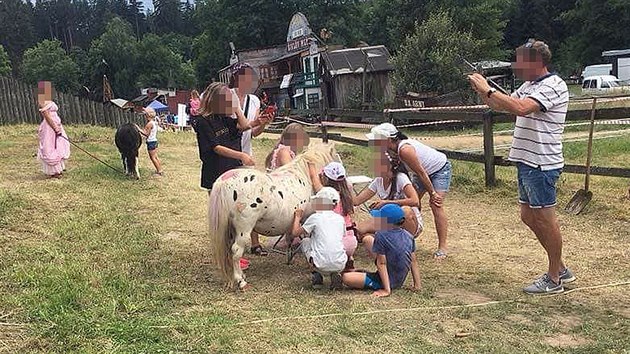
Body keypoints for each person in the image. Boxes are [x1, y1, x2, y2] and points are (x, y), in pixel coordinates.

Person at [468, 39, 575, 295]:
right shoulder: (529, 85)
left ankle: (554, 279)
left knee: (546, 219)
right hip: (526, 161)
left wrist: (490, 90)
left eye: (520, 60)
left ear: (536, 62)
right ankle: (560, 269)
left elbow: (522, 108)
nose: (515, 65)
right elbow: (503, 106)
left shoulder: (554, 85)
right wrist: (483, 90)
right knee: (528, 216)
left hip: (541, 162)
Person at [366, 123, 452, 260]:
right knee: (410, 204)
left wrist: (432, 193)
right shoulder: (390, 149)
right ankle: (406, 236)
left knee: (436, 205)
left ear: (388, 140)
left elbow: (421, 172)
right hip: (421, 174)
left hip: (439, 170)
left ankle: (442, 247)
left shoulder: (404, 150)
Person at [230, 63, 272, 255]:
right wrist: (253, 123)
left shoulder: (254, 101)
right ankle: (231, 241)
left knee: (251, 198)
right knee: (232, 201)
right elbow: (233, 127)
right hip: (230, 153)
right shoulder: (226, 96)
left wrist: (263, 123)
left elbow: (253, 132)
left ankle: (254, 243)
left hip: (247, 154)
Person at [342, 204, 421, 297]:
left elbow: (382, 264)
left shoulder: (381, 235)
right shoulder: (408, 236)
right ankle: (364, 273)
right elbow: (413, 261)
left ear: (386, 222)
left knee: (346, 278)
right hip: (399, 280)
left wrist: (386, 290)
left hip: (385, 281)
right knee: (367, 239)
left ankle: (373, 280)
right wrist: (417, 285)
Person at [354, 152, 423, 238]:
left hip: (409, 221)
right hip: (389, 221)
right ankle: (385, 239)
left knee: (405, 211)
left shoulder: (401, 178)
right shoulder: (378, 180)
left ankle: (407, 243)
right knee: (359, 229)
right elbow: (357, 201)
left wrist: (386, 203)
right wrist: (344, 187)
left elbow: (415, 201)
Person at [291, 187, 347, 290]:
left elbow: (295, 233)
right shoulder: (340, 219)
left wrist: (297, 217)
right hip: (340, 263)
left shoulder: (315, 217)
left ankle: (316, 274)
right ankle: (335, 273)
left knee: (305, 241)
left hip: (320, 263)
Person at [308, 161, 357, 270]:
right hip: (351, 241)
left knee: (314, 240)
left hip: (337, 244)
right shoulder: (347, 193)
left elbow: (313, 178)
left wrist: (310, 163)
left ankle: (317, 273)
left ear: (326, 178)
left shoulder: (325, 194)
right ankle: (349, 258)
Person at [37, 81, 70, 178]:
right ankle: (54, 171)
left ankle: (58, 168)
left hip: (56, 124)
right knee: (51, 146)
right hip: (49, 127)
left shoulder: (49, 100)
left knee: (60, 145)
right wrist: (55, 127)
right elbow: (47, 116)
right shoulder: (42, 101)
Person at [136, 107, 163, 176]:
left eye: (145, 115)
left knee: (152, 158)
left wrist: (138, 129)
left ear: (147, 115)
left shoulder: (149, 124)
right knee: (155, 157)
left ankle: (159, 171)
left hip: (151, 142)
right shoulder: (154, 123)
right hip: (154, 141)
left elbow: (146, 134)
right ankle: (160, 169)